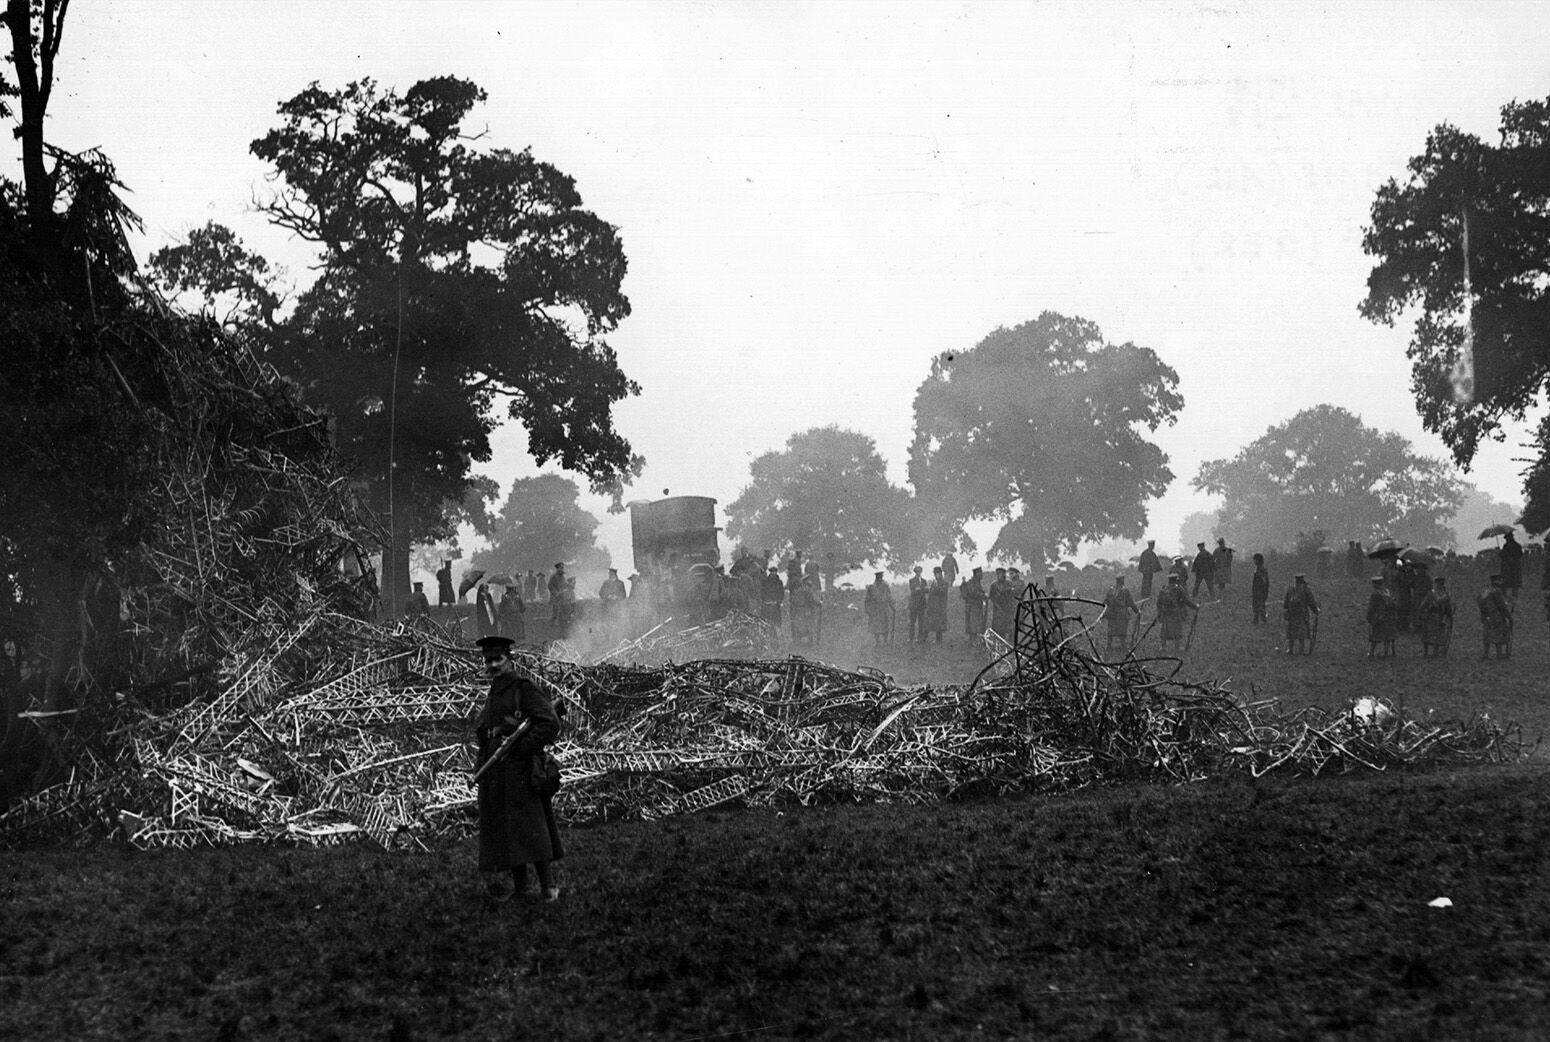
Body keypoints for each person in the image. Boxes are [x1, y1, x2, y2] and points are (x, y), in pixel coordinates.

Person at [473, 635, 563, 903]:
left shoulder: (523, 688)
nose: (493, 665)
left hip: (521, 772)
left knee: (532, 827)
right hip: (497, 770)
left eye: (498, 659)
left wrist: (523, 748)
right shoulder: (495, 691)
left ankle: (548, 888)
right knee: (508, 829)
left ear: (509, 659)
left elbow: (550, 723)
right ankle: (522, 888)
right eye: (488, 661)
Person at [1154, 574, 1197, 653]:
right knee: (1177, 629)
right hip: (1175, 612)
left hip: (1165, 613)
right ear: (1176, 580)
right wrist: (1195, 606)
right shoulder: (1179, 589)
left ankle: (1163, 647)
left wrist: (1160, 612)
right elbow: (1185, 600)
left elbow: (1158, 603)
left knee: (1164, 629)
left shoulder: (1163, 589)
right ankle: (1177, 647)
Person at [1477, 574, 1513, 659]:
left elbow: (1479, 601)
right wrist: (1509, 616)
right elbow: (1502, 606)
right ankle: (1499, 654)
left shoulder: (1486, 591)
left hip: (1486, 616)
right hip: (1496, 616)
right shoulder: (1497, 592)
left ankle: (1486, 654)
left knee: (1487, 635)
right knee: (1498, 635)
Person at [1416, 575, 1454, 657]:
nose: (1440, 585)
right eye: (1439, 583)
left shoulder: (1446, 595)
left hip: (1440, 616)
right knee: (1427, 634)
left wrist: (1450, 615)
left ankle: (1435, 652)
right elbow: (1423, 604)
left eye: (1441, 583)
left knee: (1438, 635)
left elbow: (1448, 606)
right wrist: (1420, 614)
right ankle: (1425, 652)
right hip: (1430, 616)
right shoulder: (1431, 593)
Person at [1282, 574, 1319, 655]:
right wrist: (1316, 610)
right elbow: (1311, 602)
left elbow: (1285, 604)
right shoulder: (1306, 589)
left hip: (1291, 614)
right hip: (1301, 614)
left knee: (1291, 632)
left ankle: (1290, 649)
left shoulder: (1290, 589)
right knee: (1302, 633)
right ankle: (1301, 650)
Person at [1102, 575, 1140, 651]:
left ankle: (1109, 646)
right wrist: (1137, 611)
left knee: (1111, 631)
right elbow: (1130, 602)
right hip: (1121, 614)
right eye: (1123, 579)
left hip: (1112, 613)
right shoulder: (1125, 590)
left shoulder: (1111, 590)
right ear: (1121, 580)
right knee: (1122, 631)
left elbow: (1105, 602)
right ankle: (1123, 646)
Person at [1365, 575, 1398, 659]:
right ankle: (1385, 653)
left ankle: (1372, 653)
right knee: (1388, 636)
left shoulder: (1375, 594)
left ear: (1375, 584)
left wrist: (1369, 617)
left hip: (1379, 617)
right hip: (1389, 617)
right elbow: (1394, 604)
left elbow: (1371, 607)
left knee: (1375, 636)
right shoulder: (1387, 592)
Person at [864, 571, 894, 646]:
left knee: (885, 625)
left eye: (881, 577)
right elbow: (867, 599)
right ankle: (877, 642)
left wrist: (892, 607)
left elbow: (889, 597)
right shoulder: (871, 587)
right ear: (876, 577)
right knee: (875, 626)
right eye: (879, 577)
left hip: (884, 608)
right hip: (875, 609)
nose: (880, 578)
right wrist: (867, 609)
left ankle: (885, 641)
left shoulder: (885, 586)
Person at [988, 567, 1017, 640]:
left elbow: (1013, 595)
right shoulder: (994, 585)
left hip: (1008, 607)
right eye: (998, 574)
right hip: (998, 608)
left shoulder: (1009, 583)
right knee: (998, 627)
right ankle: (999, 640)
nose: (999, 575)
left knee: (1009, 626)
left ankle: (1010, 641)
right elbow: (991, 596)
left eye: (1001, 574)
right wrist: (997, 604)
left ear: (1004, 574)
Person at [961, 567, 987, 644]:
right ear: (977, 574)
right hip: (973, 606)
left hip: (976, 605)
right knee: (973, 624)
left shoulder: (976, 582)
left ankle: (974, 641)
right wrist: (983, 595)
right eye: (980, 573)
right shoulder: (972, 582)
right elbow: (973, 592)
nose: (982, 574)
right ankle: (972, 641)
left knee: (976, 624)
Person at [925, 566, 949, 643]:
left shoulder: (944, 582)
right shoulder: (934, 583)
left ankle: (939, 639)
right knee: (933, 621)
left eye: (937, 573)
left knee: (940, 622)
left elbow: (941, 591)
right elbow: (931, 593)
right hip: (933, 605)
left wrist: (935, 587)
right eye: (935, 574)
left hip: (940, 605)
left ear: (940, 573)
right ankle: (928, 638)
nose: (936, 575)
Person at [1499, 531, 1524, 603]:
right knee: (1515, 585)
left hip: (1508, 568)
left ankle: (1508, 599)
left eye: (1506, 538)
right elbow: (1520, 555)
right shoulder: (1518, 545)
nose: (1506, 540)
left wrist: (1500, 552)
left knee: (1506, 585)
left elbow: (1503, 556)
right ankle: (1515, 599)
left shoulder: (1506, 546)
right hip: (1516, 568)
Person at [906, 565, 928, 643]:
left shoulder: (924, 581)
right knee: (912, 622)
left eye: (919, 571)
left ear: (921, 572)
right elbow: (913, 591)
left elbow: (926, 591)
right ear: (915, 572)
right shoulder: (911, 580)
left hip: (922, 604)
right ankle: (911, 637)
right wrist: (922, 589)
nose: (918, 573)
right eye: (917, 572)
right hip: (914, 604)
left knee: (921, 621)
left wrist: (920, 589)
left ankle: (920, 637)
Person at [760, 566, 785, 631]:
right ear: (770, 572)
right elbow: (762, 592)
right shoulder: (765, 582)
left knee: (776, 623)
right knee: (766, 623)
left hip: (776, 606)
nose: (773, 574)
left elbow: (781, 593)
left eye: (774, 572)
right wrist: (767, 600)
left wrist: (777, 601)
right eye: (772, 572)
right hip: (767, 606)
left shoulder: (779, 582)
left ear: (776, 573)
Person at [1250, 553, 1270, 625]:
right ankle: (1258, 620)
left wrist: (1264, 591)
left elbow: (1264, 581)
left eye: (1255, 559)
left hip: (1260, 590)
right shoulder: (1258, 569)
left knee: (1260, 605)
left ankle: (1261, 620)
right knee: (1257, 605)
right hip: (1257, 590)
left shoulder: (1261, 570)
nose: (1254, 561)